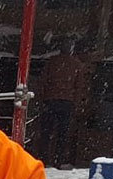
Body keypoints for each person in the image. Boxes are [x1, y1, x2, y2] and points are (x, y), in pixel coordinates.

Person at [35, 38, 89, 168]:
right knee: (63, 133)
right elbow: (80, 86)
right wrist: (77, 103)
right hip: (67, 102)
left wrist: (42, 99)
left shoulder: (52, 62)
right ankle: (59, 160)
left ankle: (44, 159)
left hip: (50, 100)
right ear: (71, 49)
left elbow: (42, 81)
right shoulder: (77, 64)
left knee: (46, 132)